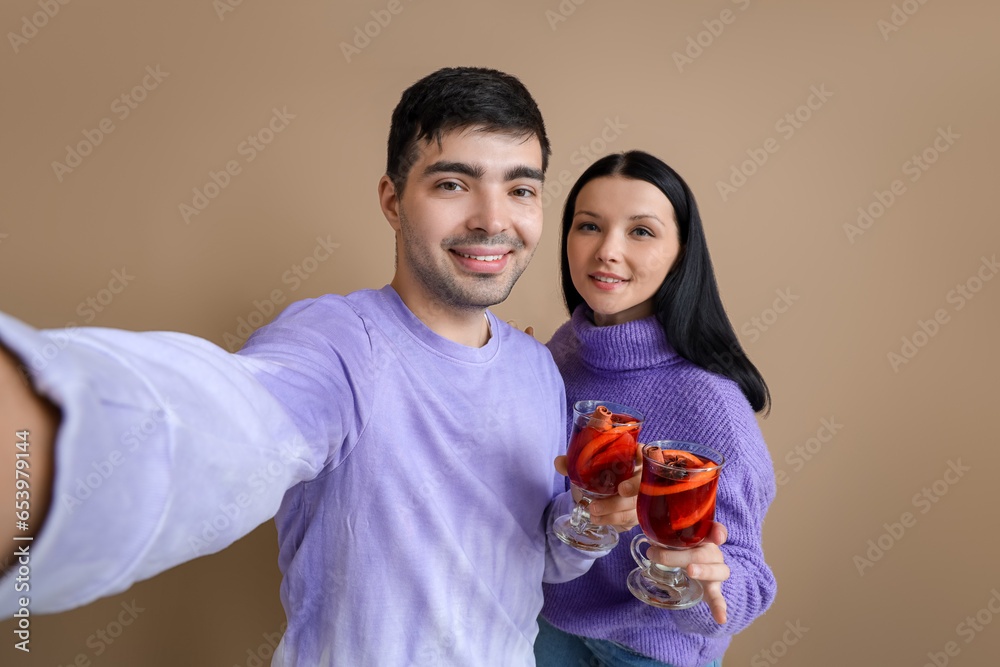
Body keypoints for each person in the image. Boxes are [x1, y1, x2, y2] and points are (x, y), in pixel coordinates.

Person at [0, 67, 639, 666]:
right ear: (393, 200)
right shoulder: (336, 342)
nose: (494, 220)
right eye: (452, 183)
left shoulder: (537, 368)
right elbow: (233, 425)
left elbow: (541, 560)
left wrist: (589, 519)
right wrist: (45, 425)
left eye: (520, 189)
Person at [534, 151, 777, 667]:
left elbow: (748, 578)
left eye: (640, 231)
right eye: (588, 226)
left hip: (653, 652)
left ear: (681, 253)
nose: (607, 250)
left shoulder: (711, 401)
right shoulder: (559, 353)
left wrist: (702, 579)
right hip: (547, 625)